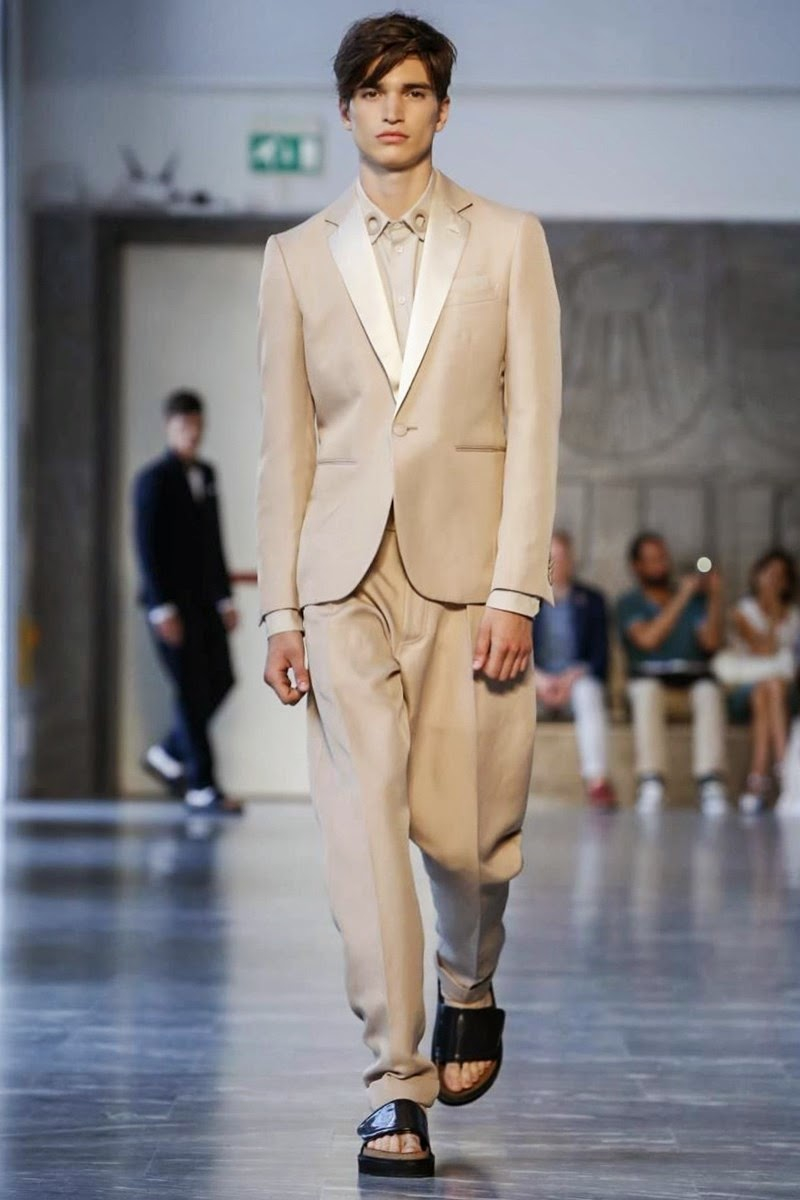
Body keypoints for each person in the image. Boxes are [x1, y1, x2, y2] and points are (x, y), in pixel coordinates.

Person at [256, 12, 561, 1178]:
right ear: (344, 110)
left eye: (414, 89)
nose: (392, 109)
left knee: (471, 842)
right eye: (373, 91)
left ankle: (466, 982)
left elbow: (534, 423)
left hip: (468, 579)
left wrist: (515, 590)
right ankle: (394, 1081)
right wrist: (281, 611)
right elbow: (285, 444)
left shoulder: (509, 241)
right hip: (341, 580)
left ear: (441, 108)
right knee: (363, 822)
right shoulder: (295, 256)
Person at [133, 389, 243, 816]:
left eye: (196, 424)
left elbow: (213, 542)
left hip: (204, 603)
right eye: (183, 426)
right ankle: (202, 786)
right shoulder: (152, 479)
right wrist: (161, 608)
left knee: (222, 679)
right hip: (171, 608)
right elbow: (146, 547)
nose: (191, 433)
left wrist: (224, 599)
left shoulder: (207, 474)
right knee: (191, 690)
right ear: (169, 427)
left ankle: (168, 752)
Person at [616, 532, 727, 815]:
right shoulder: (629, 603)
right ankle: (651, 781)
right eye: (653, 559)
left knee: (709, 691)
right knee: (646, 692)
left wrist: (715, 597)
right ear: (637, 566)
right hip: (649, 681)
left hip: (692, 681)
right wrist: (682, 596)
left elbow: (711, 643)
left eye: (663, 558)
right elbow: (649, 639)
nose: (661, 565)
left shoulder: (697, 601)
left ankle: (710, 781)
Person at [534, 531, 615, 807]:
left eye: (561, 557)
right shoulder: (527, 599)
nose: (555, 564)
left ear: (571, 560)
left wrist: (572, 677)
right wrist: (538, 680)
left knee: (588, 692)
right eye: (550, 557)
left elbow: (600, 656)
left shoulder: (592, 600)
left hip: (575, 682)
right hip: (536, 682)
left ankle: (597, 781)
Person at [730, 549, 800, 814]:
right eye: (769, 574)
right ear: (757, 575)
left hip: (782, 691)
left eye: (781, 577)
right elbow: (765, 649)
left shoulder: (795, 616)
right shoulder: (742, 611)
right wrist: (771, 614)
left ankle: (757, 779)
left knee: (769, 691)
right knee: (765, 689)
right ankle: (785, 769)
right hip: (745, 686)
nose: (774, 581)